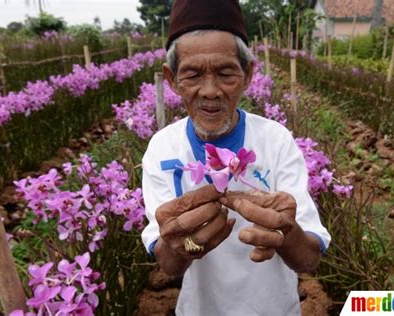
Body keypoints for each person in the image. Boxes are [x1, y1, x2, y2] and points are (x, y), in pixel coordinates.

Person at [141, 1, 331, 314]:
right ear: (172, 80)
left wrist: (287, 233)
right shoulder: (163, 149)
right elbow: (168, 263)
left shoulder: (276, 140)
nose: (210, 91)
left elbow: (309, 259)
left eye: (226, 72)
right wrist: (185, 244)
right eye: (192, 75)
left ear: (248, 74)